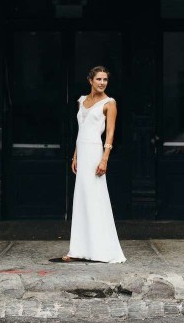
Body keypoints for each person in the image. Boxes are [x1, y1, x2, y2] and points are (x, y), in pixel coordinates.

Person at [62, 66, 126, 263]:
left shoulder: (110, 103)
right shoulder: (82, 101)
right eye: (98, 79)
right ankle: (78, 249)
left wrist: (104, 158)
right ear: (90, 80)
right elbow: (80, 131)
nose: (102, 83)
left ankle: (101, 250)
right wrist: (75, 156)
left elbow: (110, 133)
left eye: (105, 80)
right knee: (81, 200)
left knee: (96, 199)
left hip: (96, 152)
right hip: (82, 151)